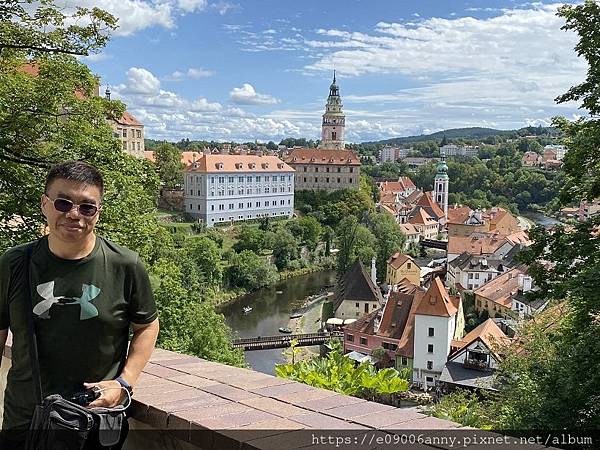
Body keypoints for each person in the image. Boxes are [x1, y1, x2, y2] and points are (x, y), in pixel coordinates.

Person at [0, 161, 160, 448]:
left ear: (98, 213)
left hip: (96, 422)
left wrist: (124, 383)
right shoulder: (14, 263)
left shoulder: (125, 265)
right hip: (27, 421)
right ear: (45, 205)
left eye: (87, 207)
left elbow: (147, 324)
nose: (74, 214)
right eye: (63, 203)